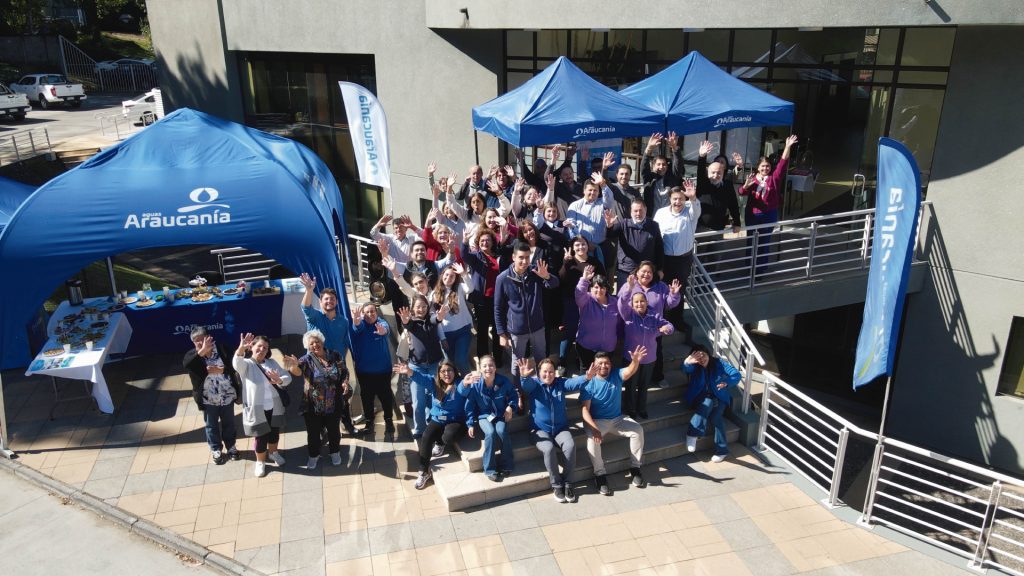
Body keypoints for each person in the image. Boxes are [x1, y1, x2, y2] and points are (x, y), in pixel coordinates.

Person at [284, 329, 358, 470]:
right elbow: (298, 372)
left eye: (317, 341)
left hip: (334, 403)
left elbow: (344, 371)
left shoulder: (334, 355)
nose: (315, 345)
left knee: (333, 430)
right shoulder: (306, 359)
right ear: (308, 347)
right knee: (313, 433)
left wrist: (344, 382)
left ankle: (335, 452)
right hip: (312, 405)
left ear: (322, 342)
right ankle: (313, 455)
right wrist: (293, 365)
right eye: (311, 344)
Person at [580, 348, 649, 496]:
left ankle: (635, 468)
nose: (604, 366)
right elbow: (585, 410)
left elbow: (630, 371)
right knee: (592, 441)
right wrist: (594, 429)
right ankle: (600, 475)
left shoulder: (616, 375)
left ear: (611, 365)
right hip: (598, 421)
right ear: (594, 365)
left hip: (618, 419)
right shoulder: (588, 383)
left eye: (607, 363)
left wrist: (635, 361)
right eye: (600, 363)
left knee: (638, 430)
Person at [518, 358, 586, 502]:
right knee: (548, 449)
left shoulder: (560, 383)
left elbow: (573, 383)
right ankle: (556, 485)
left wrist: (587, 376)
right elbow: (526, 385)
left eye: (551, 372)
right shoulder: (535, 384)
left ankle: (568, 482)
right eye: (545, 372)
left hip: (560, 429)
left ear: (555, 373)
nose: (548, 375)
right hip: (539, 430)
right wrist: (524, 376)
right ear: (539, 372)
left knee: (570, 445)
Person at [395, 359, 469, 490]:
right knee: (426, 436)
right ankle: (424, 471)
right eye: (443, 371)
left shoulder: (460, 383)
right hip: (439, 419)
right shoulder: (435, 383)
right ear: (439, 373)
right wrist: (409, 371)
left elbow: (463, 388)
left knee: (449, 437)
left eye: (449, 370)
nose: (447, 374)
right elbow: (421, 378)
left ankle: (440, 442)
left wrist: (466, 382)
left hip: (456, 420)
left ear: (455, 371)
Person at [495, 241, 560, 388]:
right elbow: (498, 308)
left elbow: (555, 284)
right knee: (517, 363)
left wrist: (547, 276)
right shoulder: (503, 278)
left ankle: (542, 388)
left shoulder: (535, 272)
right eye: (521, 257)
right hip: (517, 330)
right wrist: (501, 333)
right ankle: (518, 392)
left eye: (527, 257)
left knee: (541, 361)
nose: (525, 261)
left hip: (538, 327)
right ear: (513, 257)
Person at [233, 333, 291, 478]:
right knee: (261, 437)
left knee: (274, 433)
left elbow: (287, 377)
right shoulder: (246, 364)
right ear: (252, 347)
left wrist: (279, 380)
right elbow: (236, 363)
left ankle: (273, 453)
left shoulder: (271, 362)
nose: (262, 350)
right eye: (259, 346)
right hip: (257, 408)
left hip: (274, 405)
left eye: (265, 348)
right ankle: (260, 462)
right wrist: (240, 349)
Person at [739, 134, 798, 272]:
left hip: (769, 214)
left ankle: (760, 270)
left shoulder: (774, 178)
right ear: (758, 167)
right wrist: (746, 186)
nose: (765, 168)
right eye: (763, 166)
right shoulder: (752, 178)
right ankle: (749, 268)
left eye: (768, 166)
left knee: (764, 242)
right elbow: (741, 192)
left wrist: (787, 146)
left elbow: (783, 163)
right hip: (752, 215)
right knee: (751, 241)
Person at [184, 327, 241, 465]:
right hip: (208, 400)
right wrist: (201, 352)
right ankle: (216, 449)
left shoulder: (222, 349)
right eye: (196, 341)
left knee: (229, 423)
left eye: (202, 339)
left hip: (226, 396)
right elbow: (187, 364)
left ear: (209, 337)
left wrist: (221, 370)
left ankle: (231, 446)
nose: (200, 343)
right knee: (211, 426)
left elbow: (234, 366)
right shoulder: (193, 356)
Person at [620, 262, 683, 385]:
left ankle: (658, 377)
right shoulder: (629, 284)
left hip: (654, 328)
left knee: (656, 353)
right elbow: (621, 303)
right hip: (634, 329)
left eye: (649, 272)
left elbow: (669, 304)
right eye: (643, 271)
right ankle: (630, 382)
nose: (646, 274)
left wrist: (674, 294)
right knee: (632, 355)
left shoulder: (660, 286)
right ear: (637, 272)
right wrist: (629, 288)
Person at [459, 355, 517, 482]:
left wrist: (511, 407)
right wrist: (470, 423)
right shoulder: (475, 385)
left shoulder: (503, 381)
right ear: (480, 369)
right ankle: (489, 469)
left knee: (501, 431)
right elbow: (469, 405)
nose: (488, 368)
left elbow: (513, 395)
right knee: (490, 433)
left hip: (500, 414)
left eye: (491, 365)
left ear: (495, 367)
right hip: (484, 416)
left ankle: (507, 464)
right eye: (484, 366)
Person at [397, 295, 448, 439]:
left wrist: (440, 317)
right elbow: (407, 324)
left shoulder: (431, 319)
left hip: (434, 364)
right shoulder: (412, 322)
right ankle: (419, 429)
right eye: (418, 306)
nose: (421, 309)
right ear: (413, 308)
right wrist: (405, 320)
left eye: (424, 306)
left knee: (437, 396)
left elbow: (435, 320)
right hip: (416, 366)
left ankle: (435, 424)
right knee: (418, 399)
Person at [618, 292, 673, 419]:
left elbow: (670, 326)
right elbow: (621, 303)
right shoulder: (628, 314)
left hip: (649, 358)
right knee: (631, 385)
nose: (639, 304)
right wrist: (629, 288)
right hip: (631, 358)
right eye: (636, 302)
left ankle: (642, 408)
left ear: (647, 302)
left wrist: (666, 328)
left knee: (644, 386)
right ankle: (630, 409)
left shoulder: (654, 315)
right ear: (632, 304)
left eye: (642, 301)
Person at [682, 344, 741, 462]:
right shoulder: (694, 366)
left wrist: (727, 382)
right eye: (698, 358)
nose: (702, 359)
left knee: (716, 417)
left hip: (719, 397)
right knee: (708, 402)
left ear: (708, 354)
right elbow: (686, 369)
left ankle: (722, 451)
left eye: (704, 355)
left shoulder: (719, 363)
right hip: (699, 397)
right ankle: (693, 434)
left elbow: (736, 374)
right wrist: (687, 362)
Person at [350, 302, 396, 439]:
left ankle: (389, 420)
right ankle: (369, 421)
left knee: (386, 397)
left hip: (383, 370)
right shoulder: (361, 323)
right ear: (363, 314)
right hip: (364, 371)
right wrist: (356, 321)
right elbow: (357, 327)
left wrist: (383, 331)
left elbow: (385, 329)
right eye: (367, 312)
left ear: (376, 313)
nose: (370, 314)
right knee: (367, 398)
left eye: (372, 311)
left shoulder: (381, 323)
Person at [558, 236, 604, 373]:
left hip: (589, 302)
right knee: (570, 331)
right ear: (573, 247)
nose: (580, 247)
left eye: (583, 244)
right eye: (577, 245)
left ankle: (580, 358)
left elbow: (602, 280)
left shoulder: (594, 262)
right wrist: (566, 263)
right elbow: (561, 279)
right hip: (571, 301)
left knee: (585, 330)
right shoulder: (569, 261)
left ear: (587, 246)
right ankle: (562, 361)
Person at [462, 228, 503, 365]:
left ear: (492, 242)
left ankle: (498, 358)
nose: (485, 242)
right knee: (483, 330)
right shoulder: (475, 256)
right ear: (478, 243)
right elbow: (464, 255)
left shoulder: (498, 256)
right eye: (482, 240)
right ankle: (483, 358)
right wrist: (465, 242)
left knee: (498, 329)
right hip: (481, 299)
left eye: (488, 240)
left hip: (498, 298)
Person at [653, 183, 701, 296]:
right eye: (675, 199)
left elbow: (696, 209)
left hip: (683, 260)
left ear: (685, 200)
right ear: (670, 199)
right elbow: (654, 233)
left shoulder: (690, 212)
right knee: (663, 289)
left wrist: (693, 197)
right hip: (664, 259)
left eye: (681, 199)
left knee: (679, 290)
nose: (677, 202)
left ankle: (678, 308)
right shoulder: (661, 213)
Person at [606, 198, 663, 289]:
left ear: (646, 210)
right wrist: (609, 227)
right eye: (635, 211)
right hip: (626, 270)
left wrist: (660, 269)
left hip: (646, 271)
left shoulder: (654, 225)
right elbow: (610, 235)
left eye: (641, 210)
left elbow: (659, 248)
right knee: (625, 295)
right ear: (631, 211)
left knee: (644, 296)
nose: (638, 213)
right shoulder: (623, 224)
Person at [432, 262, 475, 376]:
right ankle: (457, 384)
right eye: (446, 275)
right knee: (451, 364)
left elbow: (470, 288)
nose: (449, 278)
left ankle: (469, 383)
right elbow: (436, 320)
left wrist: (464, 274)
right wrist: (442, 338)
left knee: (461, 360)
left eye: (452, 276)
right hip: (446, 334)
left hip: (463, 331)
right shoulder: (434, 294)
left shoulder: (459, 288)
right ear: (442, 275)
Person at [574, 266, 620, 369]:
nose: (599, 290)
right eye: (596, 287)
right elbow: (579, 293)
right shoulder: (586, 300)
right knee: (587, 373)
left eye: (602, 287)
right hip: (586, 347)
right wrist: (584, 279)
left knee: (604, 374)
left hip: (607, 348)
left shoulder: (615, 302)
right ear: (591, 288)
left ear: (606, 289)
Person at [566, 176, 615, 268]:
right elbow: (571, 228)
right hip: (581, 249)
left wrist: (603, 185)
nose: (592, 192)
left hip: (601, 248)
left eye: (595, 190)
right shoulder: (574, 206)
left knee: (600, 274)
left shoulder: (603, 204)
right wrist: (585, 244)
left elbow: (610, 199)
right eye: (590, 190)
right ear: (584, 191)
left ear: (599, 192)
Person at [299, 273, 349, 359]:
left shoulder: (344, 321)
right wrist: (309, 290)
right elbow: (305, 308)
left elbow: (345, 344)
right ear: (320, 302)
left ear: (337, 302)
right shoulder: (314, 316)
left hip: (338, 363)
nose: (329, 301)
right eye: (326, 299)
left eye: (332, 298)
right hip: (316, 364)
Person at [696, 140, 741, 236]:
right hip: (701, 228)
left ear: (723, 173)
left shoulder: (727, 185)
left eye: (719, 173)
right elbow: (700, 171)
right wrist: (702, 157)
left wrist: (737, 222)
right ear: (708, 172)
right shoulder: (703, 184)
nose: (715, 175)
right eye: (713, 172)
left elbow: (733, 205)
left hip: (719, 229)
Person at [640, 131, 685, 214]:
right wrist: (649, 148)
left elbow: (678, 165)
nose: (661, 167)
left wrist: (674, 148)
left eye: (664, 164)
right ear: (653, 166)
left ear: (667, 166)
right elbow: (644, 167)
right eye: (658, 164)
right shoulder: (649, 179)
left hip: (670, 217)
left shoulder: (673, 178)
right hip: (652, 217)